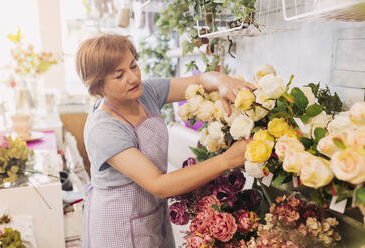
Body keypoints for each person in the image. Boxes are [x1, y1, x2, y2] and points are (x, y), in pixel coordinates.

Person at [76, 34, 255, 248]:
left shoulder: (145, 94)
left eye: (133, 66)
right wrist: (227, 160)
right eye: (119, 75)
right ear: (97, 87)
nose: (133, 78)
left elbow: (199, 82)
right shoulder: (104, 129)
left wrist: (222, 82)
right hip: (118, 227)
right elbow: (158, 184)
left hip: (149, 215)